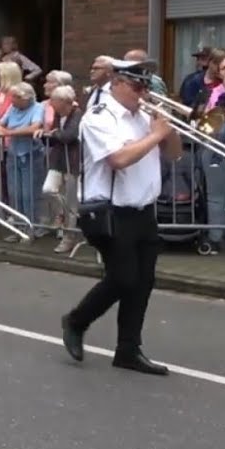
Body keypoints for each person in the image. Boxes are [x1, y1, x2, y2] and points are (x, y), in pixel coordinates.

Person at [60, 59, 182, 376]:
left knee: (143, 283)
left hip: (144, 211)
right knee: (123, 278)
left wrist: (168, 129)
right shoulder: (99, 117)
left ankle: (128, 349)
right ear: (115, 83)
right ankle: (76, 320)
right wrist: (155, 135)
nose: (142, 93)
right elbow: (118, 159)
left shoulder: (144, 117)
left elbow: (174, 154)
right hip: (111, 212)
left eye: (146, 87)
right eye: (136, 86)